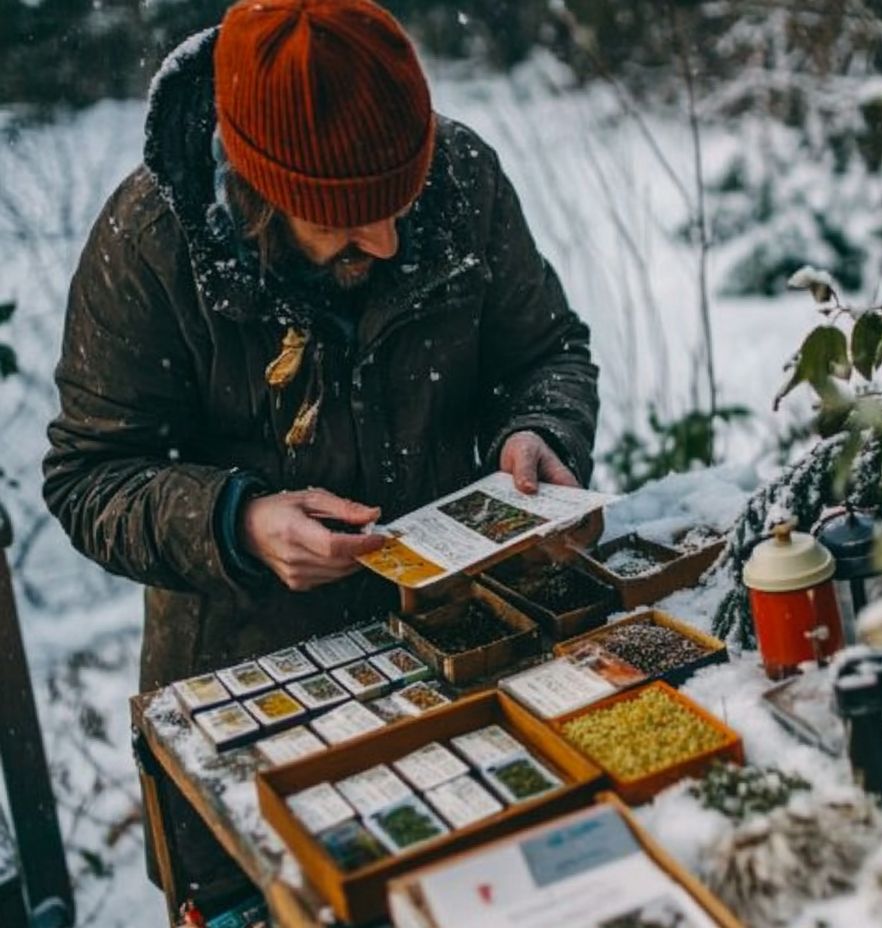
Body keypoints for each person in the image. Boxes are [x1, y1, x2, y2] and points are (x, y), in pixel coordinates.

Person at [42, 0, 599, 903]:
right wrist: (238, 522)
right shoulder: (149, 246)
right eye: (346, 219)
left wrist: (537, 432)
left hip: (460, 656)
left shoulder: (461, 178)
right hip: (251, 705)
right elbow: (89, 477)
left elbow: (545, 353)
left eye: (397, 204)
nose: (384, 240)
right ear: (265, 195)